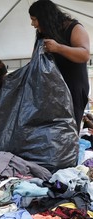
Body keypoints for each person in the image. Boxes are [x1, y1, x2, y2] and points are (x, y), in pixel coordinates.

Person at [29, 0, 90, 131]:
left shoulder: (74, 28)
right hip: (51, 90)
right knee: (51, 131)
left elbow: (84, 54)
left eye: (34, 19)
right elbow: (35, 60)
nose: (32, 24)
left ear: (45, 17)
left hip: (73, 88)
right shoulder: (43, 33)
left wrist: (59, 48)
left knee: (68, 130)